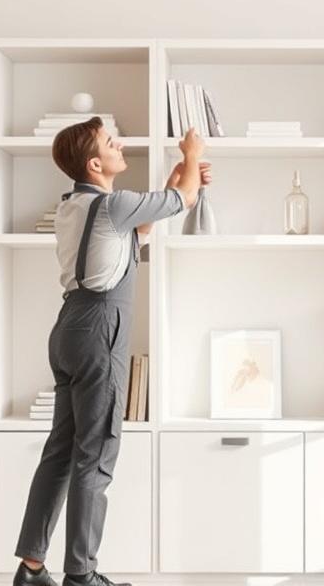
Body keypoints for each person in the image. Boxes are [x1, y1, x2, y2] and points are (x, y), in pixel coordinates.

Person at [13, 119, 208, 586]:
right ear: (95, 163)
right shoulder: (113, 204)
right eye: (110, 142)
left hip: (68, 329)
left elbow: (144, 227)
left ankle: (32, 567)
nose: (121, 145)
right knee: (96, 453)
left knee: (60, 453)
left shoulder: (78, 205)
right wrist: (193, 155)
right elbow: (182, 201)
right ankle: (81, 575)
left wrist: (187, 169)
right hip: (99, 327)